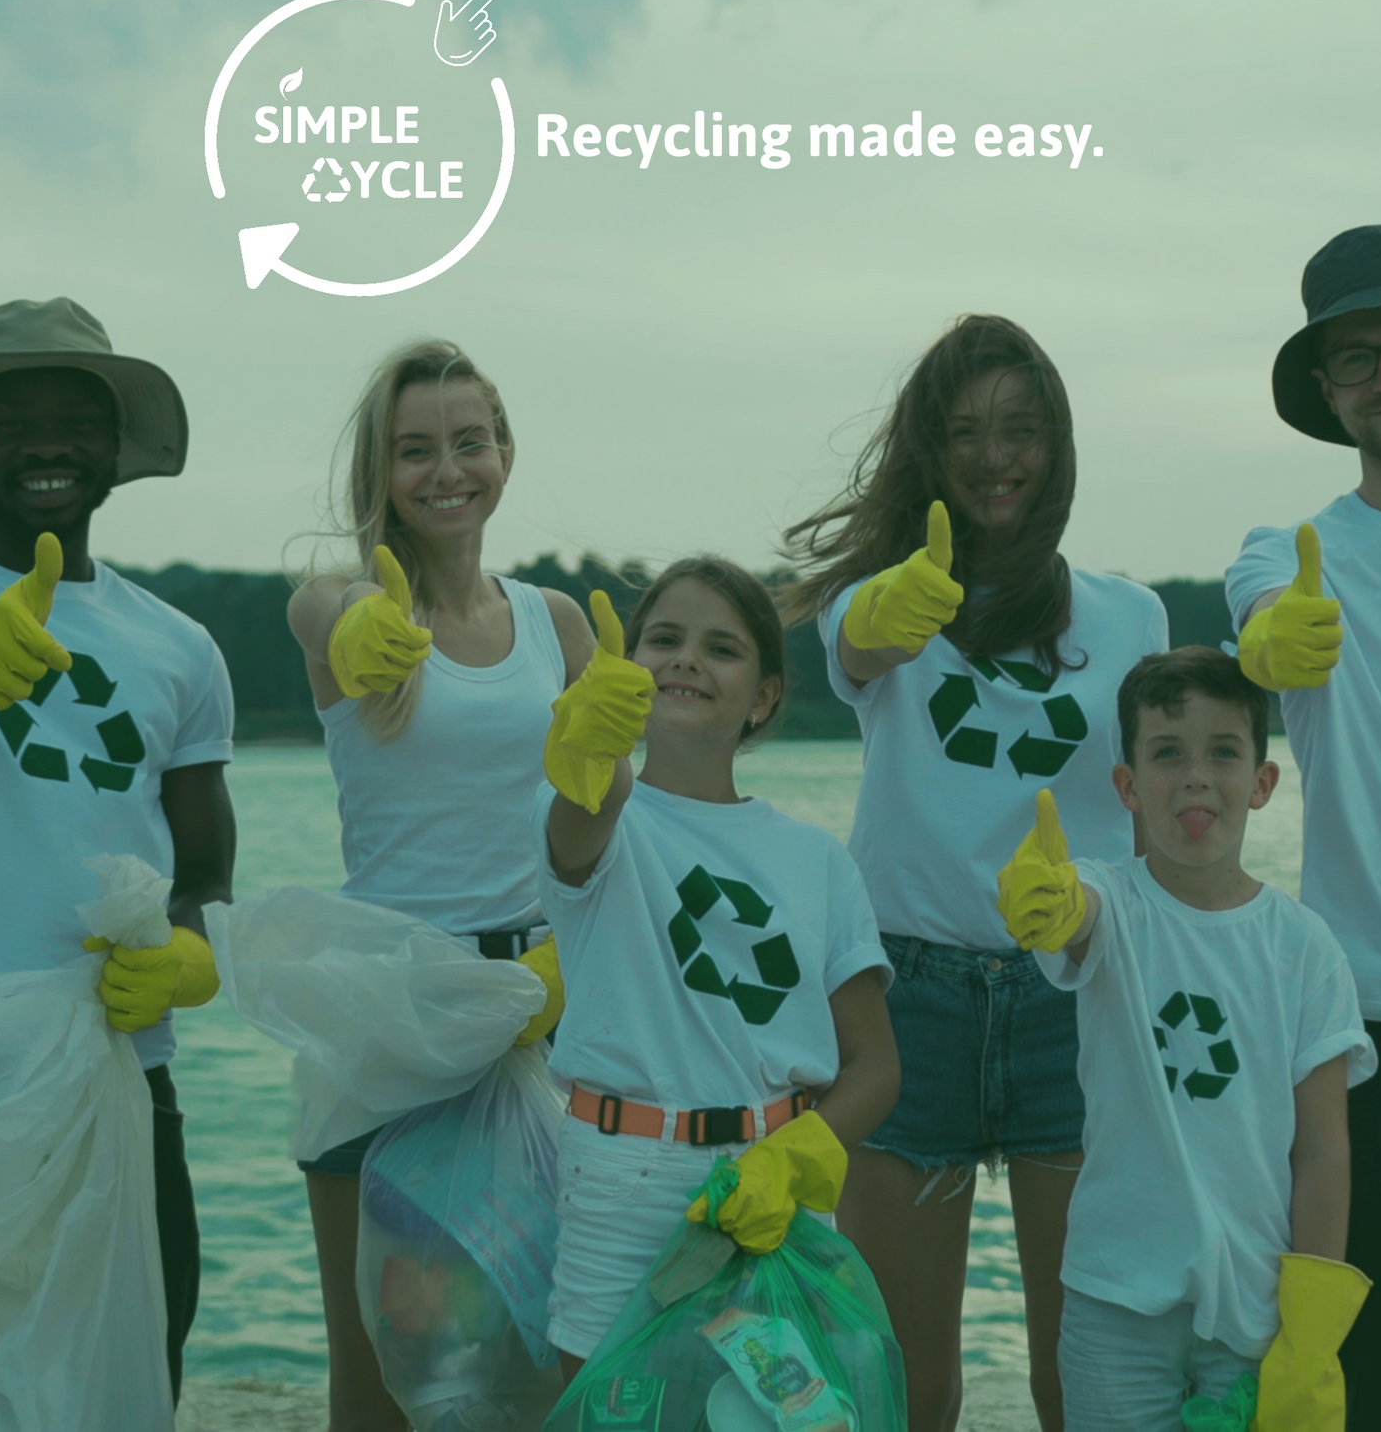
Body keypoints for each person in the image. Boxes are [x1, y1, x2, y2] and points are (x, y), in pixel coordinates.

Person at [782, 314, 1169, 1430]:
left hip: (1077, 994)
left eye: (1021, 429)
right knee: (907, 1389)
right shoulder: (881, 604)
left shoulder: (1129, 615)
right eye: (965, 433)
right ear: (929, 456)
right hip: (912, 1007)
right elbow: (858, 645)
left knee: (1085, 1380)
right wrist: (891, 610)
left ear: (1058, 445)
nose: (996, 457)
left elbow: (1150, 816)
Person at [285, 339, 592, 1432]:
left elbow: (613, 821)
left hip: (541, 1012)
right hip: (392, 1014)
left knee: (552, 1340)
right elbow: (323, 619)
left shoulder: (559, 624)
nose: (447, 469)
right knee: (378, 1357)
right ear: (381, 470)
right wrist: (369, 624)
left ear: (505, 452)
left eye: (470, 442)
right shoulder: (339, 604)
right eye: (415, 450)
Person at [0, 297, 235, 1404]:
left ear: (115, 448)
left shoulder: (179, 646)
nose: (48, 443)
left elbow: (205, 873)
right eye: (12, 419)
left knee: (135, 1369)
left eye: (75, 416)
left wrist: (192, 952)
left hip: (124, 1079)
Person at [532, 558, 901, 1376]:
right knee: (607, 1403)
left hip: (775, 1185)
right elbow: (584, 813)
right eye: (662, 639)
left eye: (722, 648)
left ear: (765, 697)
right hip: (623, 1174)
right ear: (623, 671)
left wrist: (797, 1157)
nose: (687, 659)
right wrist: (589, 747)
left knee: (777, 1408)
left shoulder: (820, 860)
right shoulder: (599, 808)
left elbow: (874, 1064)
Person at [997, 647, 1374, 1431]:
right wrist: (1054, 903)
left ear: (1264, 784)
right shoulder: (1110, 901)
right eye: (1167, 754)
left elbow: (1323, 1151)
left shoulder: (1305, 947)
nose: (1196, 776)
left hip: (1257, 1304)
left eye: (1223, 753)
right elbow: (1076, 920)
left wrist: (1312, 1325)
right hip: (1113, 1300)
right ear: (1127, 787)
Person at [1224, 222, 1381, 1428]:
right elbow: (1263, 614)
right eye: (1355, 360)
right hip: (1378, 1041)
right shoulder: (1300, 555)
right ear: (1324, 391)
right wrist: (1268, 645)